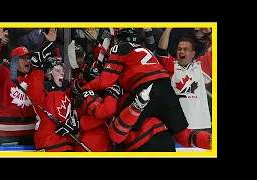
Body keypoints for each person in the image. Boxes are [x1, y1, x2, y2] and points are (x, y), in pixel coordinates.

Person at [79, 28, 211, 150]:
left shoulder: (119, 49)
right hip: (165, 89)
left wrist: (84, 88)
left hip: (144, 93)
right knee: (183, 133)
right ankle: (211, 141)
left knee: (115, 134)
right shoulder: (146, 51)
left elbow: (104, 82)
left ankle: (136, 106)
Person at [0, 28, 36, 145]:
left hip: (30, 132)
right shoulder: (5, 74)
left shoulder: (34, 77)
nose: (27, 60)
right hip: (8, 133)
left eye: (28, 58)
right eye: (23, 58)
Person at [156, 28, 212, 132]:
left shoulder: (202, 67)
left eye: (185, 49)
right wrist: (169, 28)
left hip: (198, 127)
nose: (181, 51)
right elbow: (161, 51)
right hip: (174, 125)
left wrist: (210, 33)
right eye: (179, 49)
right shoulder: (172, 66)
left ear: (193, 53)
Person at [26, 48, 80, 152]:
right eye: (58, 70)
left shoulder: (68, 88)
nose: (62, 73)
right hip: (48, 144)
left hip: (68, 144)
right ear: (48, 74)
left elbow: (77, 109)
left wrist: (76, 123)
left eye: (62, 70)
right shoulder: (41, 87)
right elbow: (36, 98)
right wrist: (37, 69)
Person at [72, 66, 123, 152]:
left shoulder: (99, 92)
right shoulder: (85, 93)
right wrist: (112, 94)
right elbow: (105, 112)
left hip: (102, 144)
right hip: (91, 145)